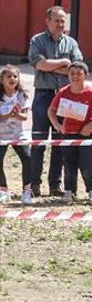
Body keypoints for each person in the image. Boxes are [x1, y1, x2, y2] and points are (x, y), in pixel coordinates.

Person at [28, 6, 83, 198]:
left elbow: (77, 71)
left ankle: (55, 185)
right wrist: (64, 64)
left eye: (62, 21)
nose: (60, 24)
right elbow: (39, 64)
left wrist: (52, 66)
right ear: (48, 21)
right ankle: (34, 184)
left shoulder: (71, 43)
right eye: (57, 20)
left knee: (60, 142)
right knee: (39, 141)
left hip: (66, 97)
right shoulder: (37, 40)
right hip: (44, 95)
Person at [47, 61, 92, 204]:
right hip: (68, 135)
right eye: (72, 73)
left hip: (86, 135)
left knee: (86, 163)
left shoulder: (91, 93)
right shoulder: (63, 92)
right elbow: (51, 111)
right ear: (68, 75)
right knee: (69, 163)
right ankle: (70, 191)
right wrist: (58, 126)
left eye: (79, 73)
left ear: (86, 75)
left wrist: (90, 125)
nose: (75, 76)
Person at [0, 65, 33, 205]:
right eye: (8, 76)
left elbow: (25, 117)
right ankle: (3, 191)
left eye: (15, 76)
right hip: (1, 135)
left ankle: (27, 191)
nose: (12, 79)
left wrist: (17, 114)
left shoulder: (22, 95)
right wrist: (6, 114)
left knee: (28, 159)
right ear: (1, 80)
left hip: (18, 134)